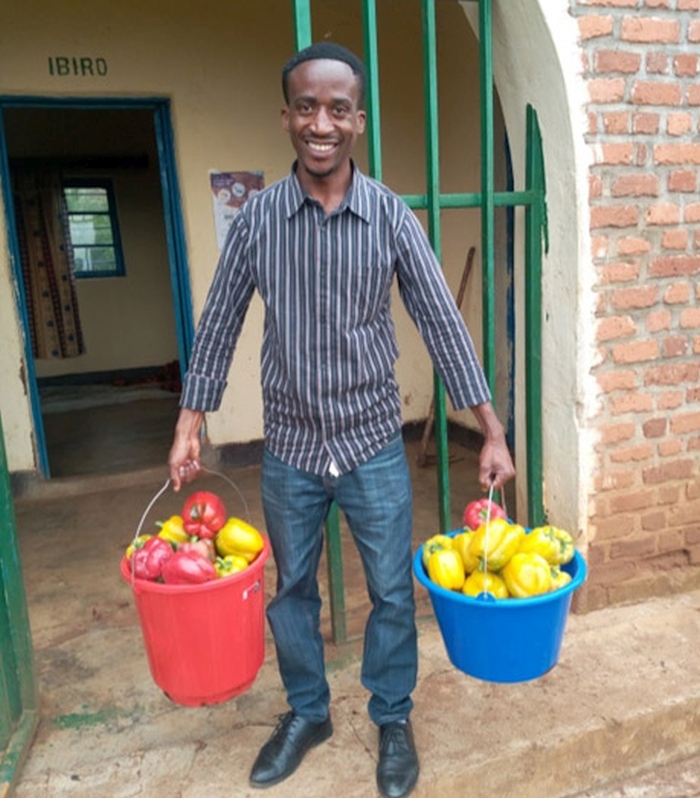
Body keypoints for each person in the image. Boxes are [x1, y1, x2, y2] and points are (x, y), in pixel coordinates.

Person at [168, 42, 515, 798]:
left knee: (391, 590)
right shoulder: (258, 220)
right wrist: (190, 423)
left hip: (371, 445)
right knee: (293, 591)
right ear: (286, 115)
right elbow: (220, 321)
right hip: (290, 447)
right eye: (306, 106)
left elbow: (441, 324)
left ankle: (392, 716)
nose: (320, 123)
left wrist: (489, 427)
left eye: (336, 109)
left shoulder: (388, 215)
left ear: (358, 120)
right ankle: (308, 713)